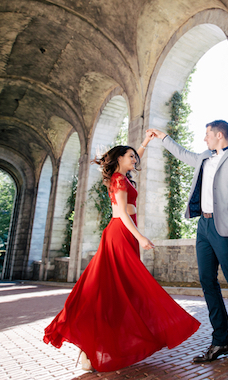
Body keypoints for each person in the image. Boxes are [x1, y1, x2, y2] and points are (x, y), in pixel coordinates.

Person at [43, 137, 200, 372]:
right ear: (119, 159)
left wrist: (145, 142)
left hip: (124, 233)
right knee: (122, 288)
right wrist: (140, 237)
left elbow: (136, 157)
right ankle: (90, 347)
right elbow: (120, 214)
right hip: (122, 234)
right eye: (130, 157)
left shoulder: (122, 175)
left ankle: (96, 347)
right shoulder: (118, 179)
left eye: (135, 156)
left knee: (119, 290)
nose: (135, 159)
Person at [147, 120, 228, 372]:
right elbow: (182, 153)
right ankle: (221, 341)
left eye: (207, 134)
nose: (204, 139)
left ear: (219, 135)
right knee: (207, 281)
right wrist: (164, 137)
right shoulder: (204, 158)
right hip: (204, 227)